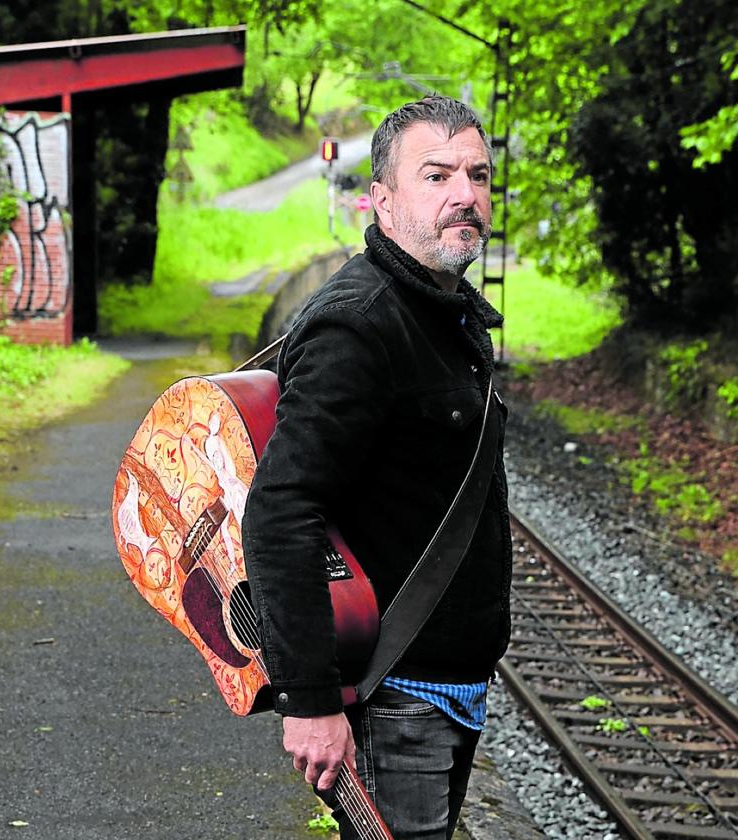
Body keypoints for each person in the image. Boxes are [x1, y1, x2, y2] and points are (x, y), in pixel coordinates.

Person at [241, 94, 511, 840]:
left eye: (478, 176)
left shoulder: (443, 312)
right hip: (398, 695)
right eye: (437, 176)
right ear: (382, 203)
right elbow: (280, 511)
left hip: (450, 691)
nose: (466, 194)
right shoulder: (358, 326)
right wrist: (309, 700)